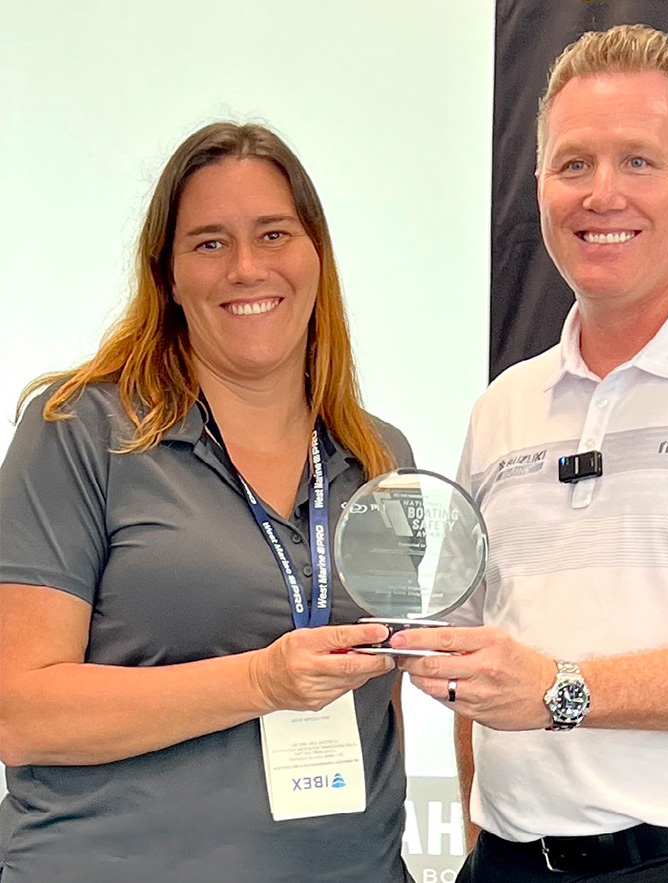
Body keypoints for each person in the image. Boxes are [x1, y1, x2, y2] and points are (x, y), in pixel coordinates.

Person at [390, 24, 668, 882]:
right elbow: (478, 654)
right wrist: (479, 833)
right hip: (508, 862)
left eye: (638, 162)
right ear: (537, 184)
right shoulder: (503, 407)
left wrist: (560, 688)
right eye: (573, 164)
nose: (600, 194)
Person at [0, 122, 415, 883]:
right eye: (210, 243)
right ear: (168, 275)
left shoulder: (379, 461)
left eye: (273, 233)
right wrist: (261, 681)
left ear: (316, 255)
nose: (247, 268)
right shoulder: (80, 430)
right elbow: (21, 713)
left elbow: (382, 712)